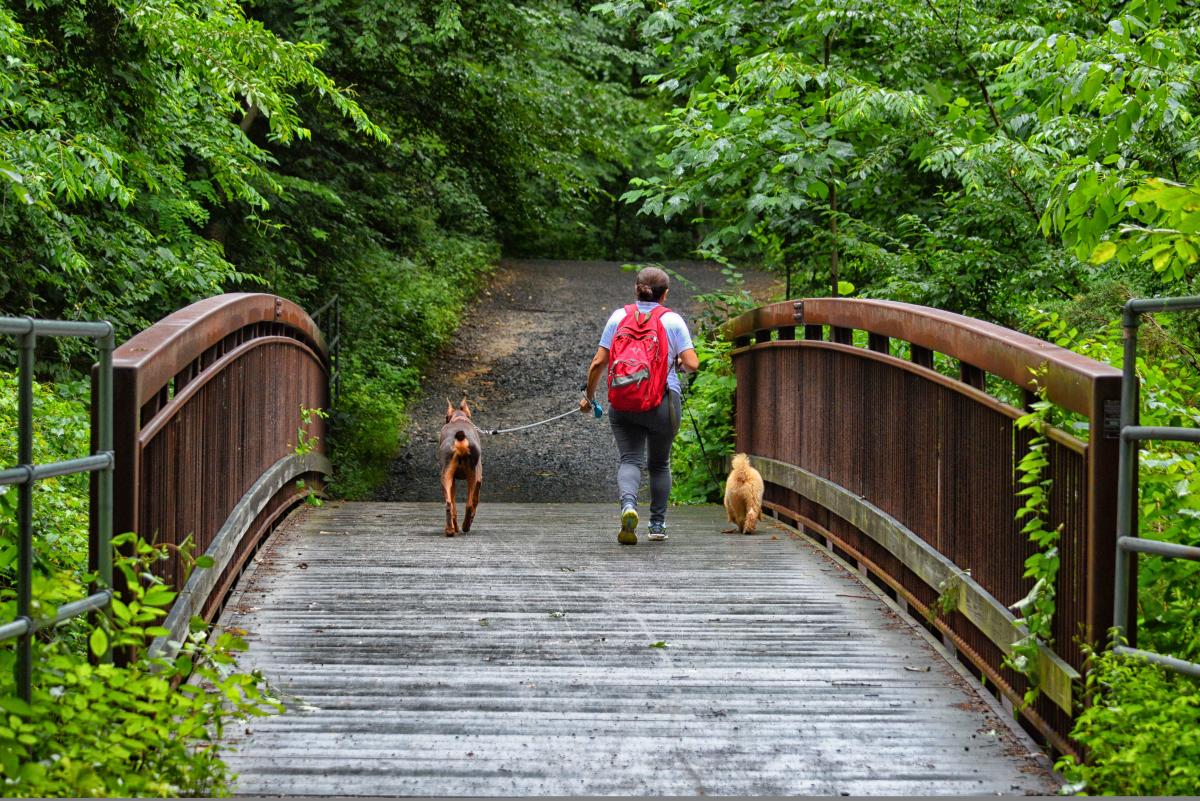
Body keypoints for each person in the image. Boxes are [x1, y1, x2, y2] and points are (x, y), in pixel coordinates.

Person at [580, 267, 699, 544]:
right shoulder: (673, 321)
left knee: (629, 459)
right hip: (663, 401)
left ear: (636, 289)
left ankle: (629, 506)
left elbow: (598, 362)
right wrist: (677, 364)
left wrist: (589, 397)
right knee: (659, 463)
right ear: (665, 294)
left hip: (623, 402)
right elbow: (692, 363)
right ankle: (657, 525)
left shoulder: (618, 316)